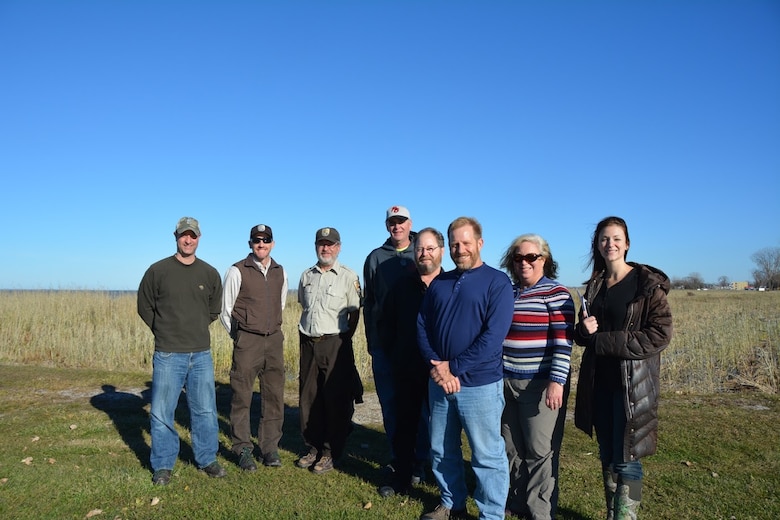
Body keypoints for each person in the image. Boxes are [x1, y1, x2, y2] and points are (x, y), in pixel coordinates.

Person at [573, 216, 673, 520]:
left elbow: (659, 335)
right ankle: (612, 514)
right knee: (607, 456)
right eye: (604, 239)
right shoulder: (594, 287)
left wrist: (602, 342)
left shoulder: (646, 285)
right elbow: (583, 336)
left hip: (633, 387)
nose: (610, 244)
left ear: (627, 244)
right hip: (599, 383)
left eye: (616, 238)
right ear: (598, 245)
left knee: (629, 459)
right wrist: (582, 331)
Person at [417, 216, 514, 520]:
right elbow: (422, 325)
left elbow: (493, 337)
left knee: (486, 455)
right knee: (441, 449)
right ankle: (451, 502)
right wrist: (437, 366)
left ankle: (491, 514)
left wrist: (453, 368)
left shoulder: (497, 282)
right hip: (440, 383)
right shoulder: (439, 283)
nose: (461, 249)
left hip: (480, 385)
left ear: (480, 243)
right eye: (455, 243)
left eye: (466, 243)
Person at [137, 216, 227, 485]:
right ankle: (163, 464)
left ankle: (207, 458)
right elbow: (144, 306)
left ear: (199, 238)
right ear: (175, 237)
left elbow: (214, 309)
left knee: (205, 410)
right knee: (162, 411)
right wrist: (163, 331)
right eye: (183, 235)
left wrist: (196, 327)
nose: (188, 240)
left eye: (193, 235)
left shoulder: (209, 273)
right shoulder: (158, 271)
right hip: (168, 353)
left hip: (200, 353)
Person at [498, 234, 575, 520]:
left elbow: (563, 341)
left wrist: (557, 382)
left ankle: (540, 510)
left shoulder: (556, 293)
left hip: (540, 386)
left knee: (540, 450)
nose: (525, 263)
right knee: (511, 447)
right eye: (518, 258)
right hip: (506, 383)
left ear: (544, 260)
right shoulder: (510, 292)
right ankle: (517, 501)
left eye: (532, 257)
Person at [377, 227, 445, 498]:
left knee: (444, 431)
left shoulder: (451, 285)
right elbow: (386, 325)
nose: (424, 253)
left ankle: (447, 489)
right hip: (407, 367)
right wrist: (396, 355)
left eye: (430, 248)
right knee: (406, 425)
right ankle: (402, 477)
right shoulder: (401, 287)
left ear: (441, 251)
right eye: (419, 248)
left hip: (443, 371)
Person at [220, 224, 288, 471]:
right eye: (256, 240)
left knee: (273, 396)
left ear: (273, 243)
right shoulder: (237, 270)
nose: (261, 244)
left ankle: (269, 448)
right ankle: (243, 448)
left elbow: (280, 304)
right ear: (250, 243)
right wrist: (239, 337)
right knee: (242, 396)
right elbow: (225, 311)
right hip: (247, 340)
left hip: (274, 340)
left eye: (266, 239)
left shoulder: (281, 271)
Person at [295, 227, 362, 475]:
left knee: (335, 399)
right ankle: (312, 447)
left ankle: (330, 451)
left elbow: (354, 313)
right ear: (316, 246)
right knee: (308, 398)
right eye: (321, 244)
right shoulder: (306, 276)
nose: (326, 248)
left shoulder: (348, 276)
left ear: (339, 247)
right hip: (308, 342)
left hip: (335, 342)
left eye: (331, 244)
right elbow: (304, 304)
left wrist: (343, 339)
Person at [363, 205, 419, 473]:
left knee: (421, 408)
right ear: (387, 226)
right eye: (392, 222)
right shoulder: (375, 258)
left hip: (417, 346)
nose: (397, 226)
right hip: (385, 346)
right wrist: (372, 342)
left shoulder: (422, 252)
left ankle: (422, 461)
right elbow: (369, 302)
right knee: (391, 405)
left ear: (410, 224)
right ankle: (399, 458)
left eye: (401, 222)